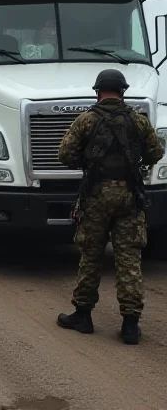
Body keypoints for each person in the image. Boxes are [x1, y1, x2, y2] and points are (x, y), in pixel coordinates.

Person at [56, 69, 164, 345]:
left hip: (95, 196)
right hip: (130, 195)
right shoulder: (138, 121)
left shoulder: (86, 120)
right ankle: (130, 325)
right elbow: (156, 153)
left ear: (97, 92)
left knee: (91, 255)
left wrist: (89, 160)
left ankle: (83, 316)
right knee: (128, 259)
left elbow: (65, 154)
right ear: (123, 91)